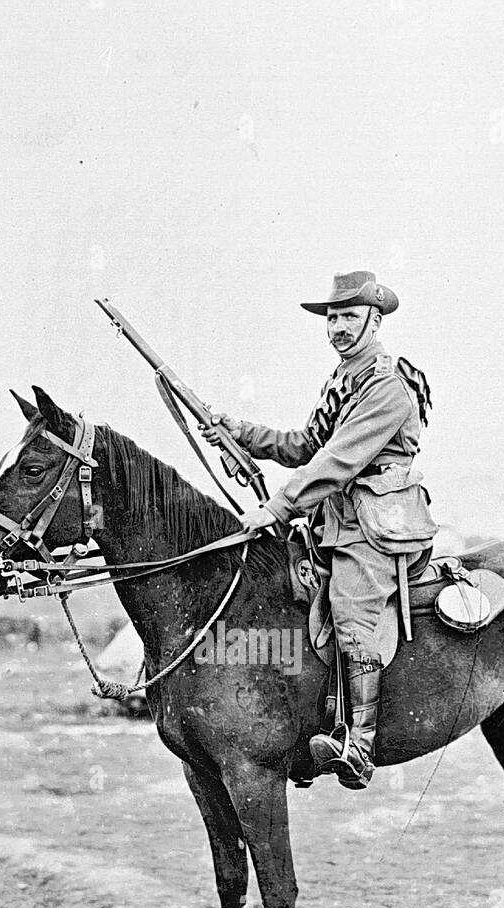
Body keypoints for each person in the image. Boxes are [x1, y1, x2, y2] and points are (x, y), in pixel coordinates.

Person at [201, 270, 438, 789]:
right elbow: (305, 443)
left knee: (352, 608)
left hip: (376, 522)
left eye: (348, 316)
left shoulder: (387, 382)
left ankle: (359, 745)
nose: (337, 327)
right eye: (331, 318)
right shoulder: (343, 379)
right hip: (334, 518)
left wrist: (278, 506)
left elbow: (340, 458)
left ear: (375, 320)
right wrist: (237, 431)